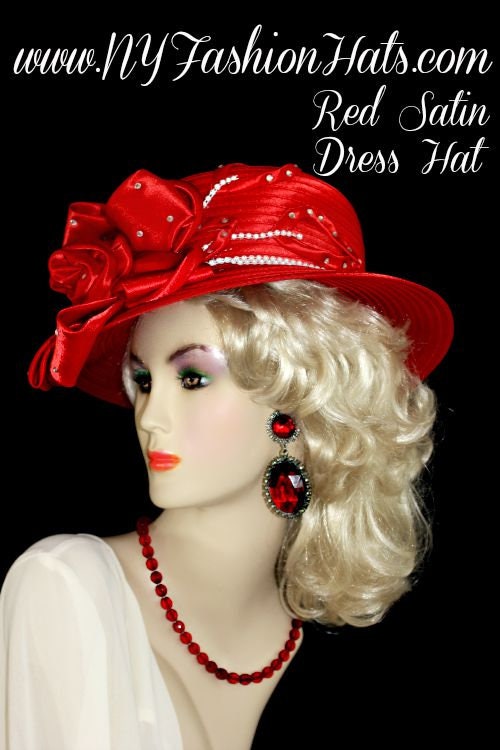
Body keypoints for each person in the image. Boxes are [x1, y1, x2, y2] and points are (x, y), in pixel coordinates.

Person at [0, 163, 453, 749]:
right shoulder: (66, 589)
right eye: (143, 379)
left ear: (301, 395)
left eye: (192, 378)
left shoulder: (333, 633)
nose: (150, 416)